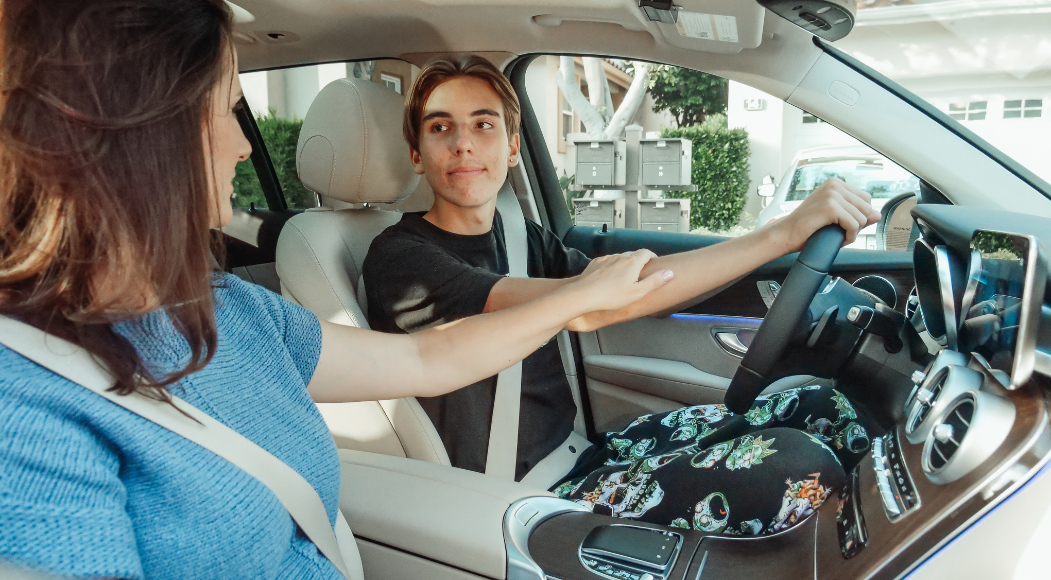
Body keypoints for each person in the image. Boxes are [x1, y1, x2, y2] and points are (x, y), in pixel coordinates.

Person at [0, 2, 671, 578]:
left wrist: (577, 295)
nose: (242, 144)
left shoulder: (227, 305)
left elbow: (425, 359)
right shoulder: (24, 404)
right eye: (223, 111)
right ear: (141, 133)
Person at [363, 55, 882, 534]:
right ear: (416, 154)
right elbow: (589, 305)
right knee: (797, 467)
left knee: (825, 405)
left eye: (483, 124)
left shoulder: (520, 234)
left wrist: (777, 241)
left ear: (513, 145)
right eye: (439, 128)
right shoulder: (401, 259)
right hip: (525, 495)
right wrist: (782, 234)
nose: (463, 143)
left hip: (582, 453)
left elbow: (640, 287)